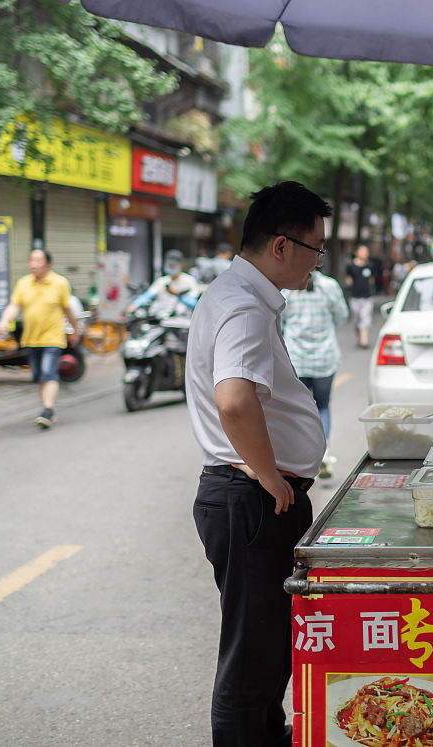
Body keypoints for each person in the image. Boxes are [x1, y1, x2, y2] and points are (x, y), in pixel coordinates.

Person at [184, 181, 330, 746]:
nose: (318, 262)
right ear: (281, 245)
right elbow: (234, 399)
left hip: (251, 497)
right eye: (315, 249)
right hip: (252, 500)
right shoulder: (243, 307)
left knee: (267, 653)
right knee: (252, 660)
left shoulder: (238, 296)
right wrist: (268, 473)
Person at [0, 249, 81, 429]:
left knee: (49, 373)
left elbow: (67, 309)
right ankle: (47, 408)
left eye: (37, 261)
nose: (32, 264)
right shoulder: (24, 283)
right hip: (32, 338)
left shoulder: (60, 283)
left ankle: (47, 410)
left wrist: (75, 329)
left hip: (53, 337)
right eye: (31, 260)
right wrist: (4, 320)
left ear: (48, 264)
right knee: (39, 376)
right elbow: (14, 306)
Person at [281, 270, 349, 478]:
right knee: (322, 406)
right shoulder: (330, 286)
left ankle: (300, 457)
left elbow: (280, 322)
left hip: (296, 360)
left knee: (299, 409)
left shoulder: (288, 290)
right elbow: (342, 317)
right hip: (324, 359)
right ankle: (324, 452)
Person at [128, 249, 200, 317]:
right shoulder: (162, 281)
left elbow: (194, 304)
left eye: (173, 265)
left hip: (179, 319)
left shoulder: (190, 281)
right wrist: (133, 305)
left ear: (181, 265)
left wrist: (177, 294)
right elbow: (147, 296)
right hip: (159, 317)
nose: (171, 267)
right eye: (169, 265)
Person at [344, 244, 377, 348]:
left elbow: (372, 279)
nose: (365, 253)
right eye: (363, 251)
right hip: (355, 296)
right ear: (357, 253)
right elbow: (348, 279)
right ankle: (359, 337)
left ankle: (364, 341)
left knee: (365, 318)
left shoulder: (370, 266)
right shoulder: (351, 266)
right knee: (357, 320)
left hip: (367, 297)